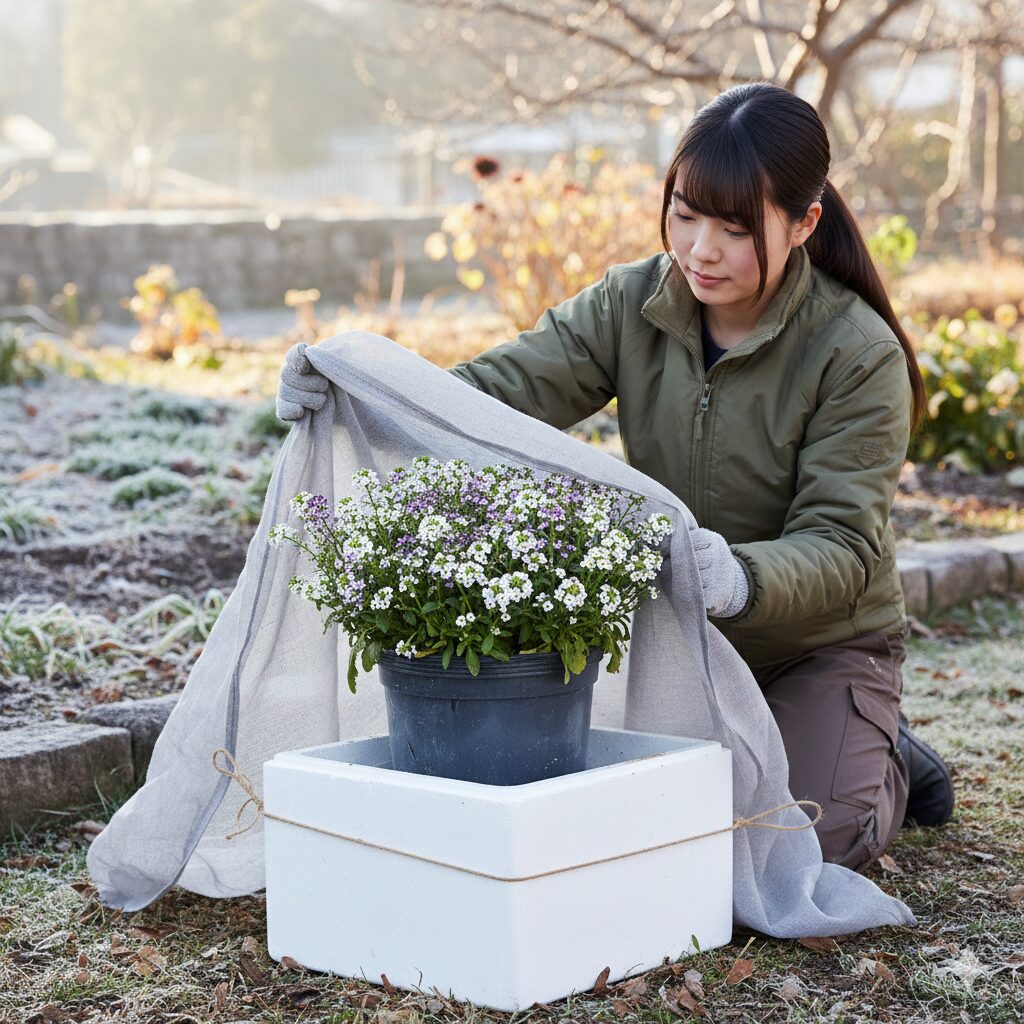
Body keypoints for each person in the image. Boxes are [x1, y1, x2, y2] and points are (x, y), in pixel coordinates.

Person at [276, 82, 954, 873]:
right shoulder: (634, 304)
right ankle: (829, 736)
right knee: (640, 830)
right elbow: (498, 394)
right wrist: (359, 384)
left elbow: (841, 542)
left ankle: (883, 750)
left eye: (736, 229)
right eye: (686, 214)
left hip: (818, 642)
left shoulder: (855, 353)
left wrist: (739, 574)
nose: (700, 249)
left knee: (794, 850)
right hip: (681, 643)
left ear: (804, 224)